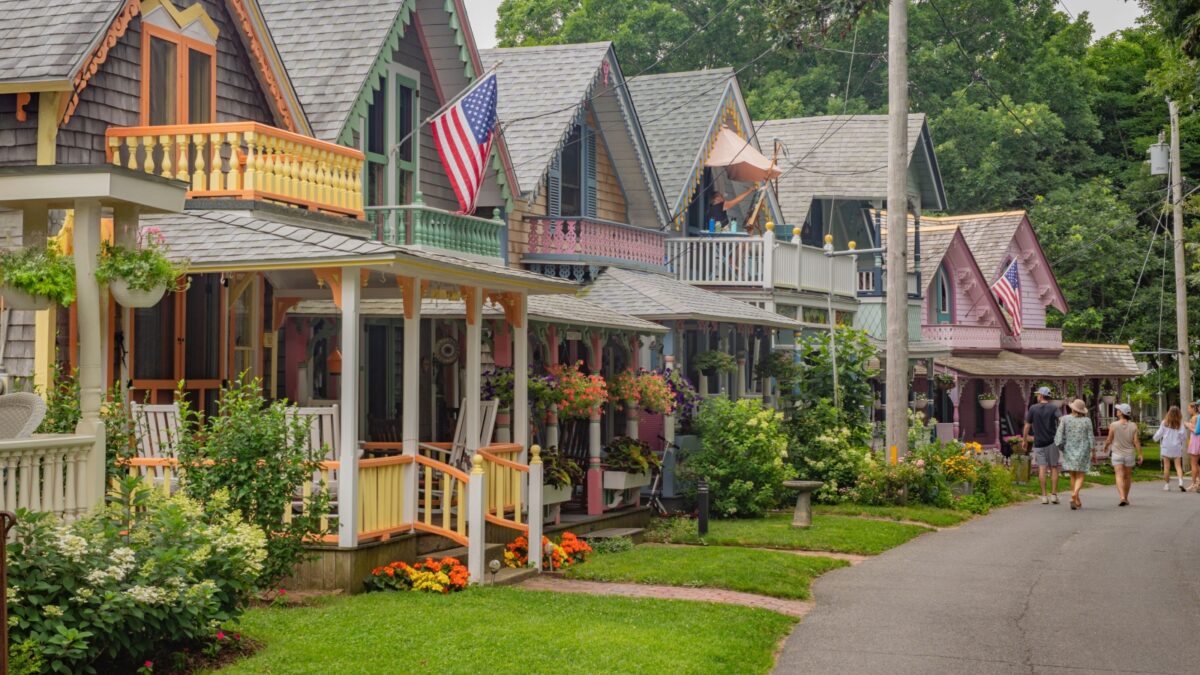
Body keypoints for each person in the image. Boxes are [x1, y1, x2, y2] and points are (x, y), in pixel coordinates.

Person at [1024, 386, 1062, 504]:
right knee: (1054, 467)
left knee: (1042, 468)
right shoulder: (1054, 407)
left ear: (1041, 395)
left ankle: (1044, 496)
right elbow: (1061, 420)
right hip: (1052, 441)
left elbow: (1027, 425)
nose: (1037, 396)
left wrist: (1024, 440)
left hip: (1038, 442)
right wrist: (1060, 434)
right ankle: (1054, 495)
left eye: (1038, 394)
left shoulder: (1033, 408)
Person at [1055, 398, 1094, 509]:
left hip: (1069, 449)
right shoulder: (1087, 421)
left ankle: (1075, 496)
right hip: (1083, 449)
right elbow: (1090, 436)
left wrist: (1061, 446)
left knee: (1073, 475)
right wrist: (1093, 450)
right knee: (1080, 475)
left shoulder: (1065, 419)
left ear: (1072, 408)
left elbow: (1059, 434)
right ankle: (1075, 496)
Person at [1104, 403, 1143, 506]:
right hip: (1129, 454)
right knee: (1127, 477)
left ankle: (1121, 497)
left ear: (1121, 413)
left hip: (1117, 453)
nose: (1116, 411)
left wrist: (1106, 446)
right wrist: (1140, 454)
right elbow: (1136, 441)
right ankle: (1125, 497)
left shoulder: (1113, 425)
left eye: (1118, 410)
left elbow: (1109, 439)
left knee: (1119, 475)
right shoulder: (1133, 425)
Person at [1152, 405, 1188, 492]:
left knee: (1166, 466)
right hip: (1176, 446)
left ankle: (1167, 485)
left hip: (1166, 446)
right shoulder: (1180, 424)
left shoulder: (1164, 422)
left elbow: (1159, 433)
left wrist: (1154, 438)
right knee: (1178, 466)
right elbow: (1183, 437)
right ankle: (1180, 482)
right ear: (1178, 413)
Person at [1188, 402, 1200, 491]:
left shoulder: (1194, 417)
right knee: (1197, 463)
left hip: (1195, 441)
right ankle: (1198, 481)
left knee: (1193, 463)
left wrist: (1187, 425)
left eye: (1189, 408)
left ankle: (1194, 483)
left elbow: (1195, 431)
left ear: (1193, 408)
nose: (1188, 410)